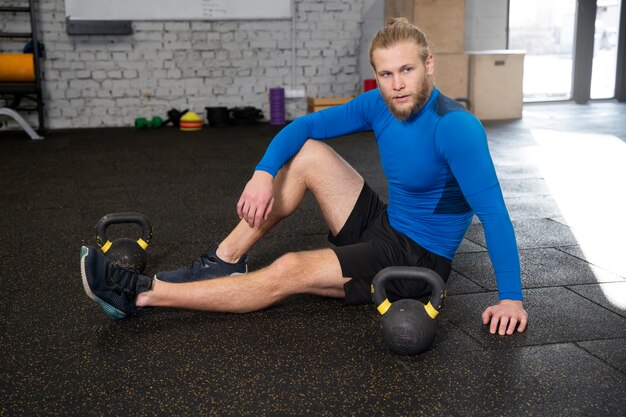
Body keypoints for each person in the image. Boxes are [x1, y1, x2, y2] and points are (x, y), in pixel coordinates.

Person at [80, 18, 528, 336]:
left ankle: (138, 295)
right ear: (377, 76)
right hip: (388, 224)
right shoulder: (380, 105)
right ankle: (224, 259)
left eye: (407, 70)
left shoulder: (456, 127)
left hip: (417, 258)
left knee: (291, 268)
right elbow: (305, 127)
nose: (397, 84)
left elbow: (494, 214)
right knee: (309, 154)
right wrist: (263, 172)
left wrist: (511, 298)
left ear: (428, 65)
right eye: (386, 73)